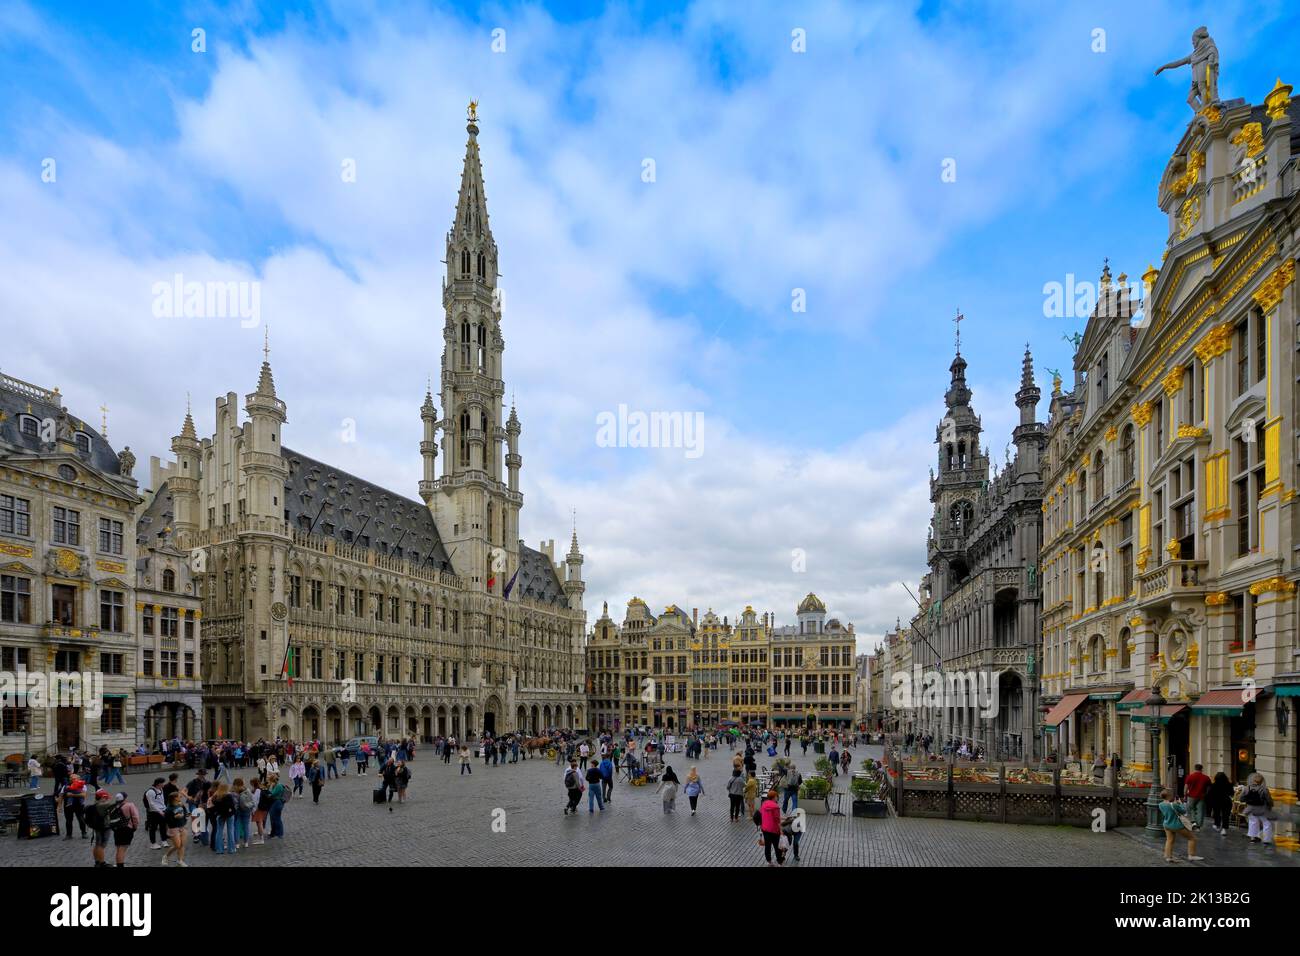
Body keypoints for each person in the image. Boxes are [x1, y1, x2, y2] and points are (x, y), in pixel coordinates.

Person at [1158, 788, 1202, 863]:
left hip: (1166, 824)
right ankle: (1191, 855)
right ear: (1169, 796)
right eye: (1172, 795)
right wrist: (1180, 803)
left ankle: (1168, 857)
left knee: (1169, 840)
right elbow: (1184, 811)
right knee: (1192, 838)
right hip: (1176, 825)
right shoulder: (1174, 805)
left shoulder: (1160, 804)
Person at [85, 789, 116, 867]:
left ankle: (97, 862)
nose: (107, 799)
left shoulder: (95, 805)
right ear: (103, 797)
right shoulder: (103, 805)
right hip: (104, 827)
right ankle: (102, 863)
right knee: (101, 845)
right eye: (106, 797)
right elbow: (115, 804)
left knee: (97, 844)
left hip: (97, 827)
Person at [1242, 772, 1275, 844]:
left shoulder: (1247, 788)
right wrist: (1271, 805)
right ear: (1261, 781)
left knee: (1253, 822)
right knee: (1266, 823)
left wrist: (1248, 801)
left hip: (1250, 808)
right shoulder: (1264, 789)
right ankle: (1266, 839)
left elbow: (1242, 798)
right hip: (1262, 809)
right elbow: (1268, 799)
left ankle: (1253, 838)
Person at [160, 790, 189, 867]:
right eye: (179, 796)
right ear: (175, 798)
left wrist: (185, 818)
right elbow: (167, 821)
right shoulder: (168, 809)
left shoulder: (180, 805)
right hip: (174, 829)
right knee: (177, 846)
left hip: (182, 827)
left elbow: (185, 812)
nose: (181, 796)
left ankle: (180, 861)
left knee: (182, 845)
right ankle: (166, 856)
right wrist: (174, 817)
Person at [111, 792, 139, 866]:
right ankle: (120, 865)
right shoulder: (129, 805)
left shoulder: (114, 806)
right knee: (122, 849)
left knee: (119, 848)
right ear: (125, 798)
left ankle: (118, 864)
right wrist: (135, 827)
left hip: (117, 829)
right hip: (127, 828)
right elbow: (135, 817)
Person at [758, 789, 783, 865]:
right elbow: (777, 820)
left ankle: (769, 861)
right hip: (774, 830)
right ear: (774, 797)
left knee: (767, 846)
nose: (777, 798)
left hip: (765, 828)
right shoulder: (776, 807)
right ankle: (779, 862)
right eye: (777, 796)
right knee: (777, 847)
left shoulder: (764, 804)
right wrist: (781, 830)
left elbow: (762, 815)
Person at [1183, 763, 1211, 828]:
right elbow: (1209, 788)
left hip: (1191, 796)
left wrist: (1185, 794)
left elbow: (1186, 786)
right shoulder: (1206, 777)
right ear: (1201, 769)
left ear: (1195, 768)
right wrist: (1205, 793)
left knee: (1191, 808)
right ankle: (1199, 824)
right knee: (1200, 810)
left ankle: (1193, 821)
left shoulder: (1190, 776)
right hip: (1201, 796)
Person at [143, 776, 167, 849]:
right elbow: (151, 804)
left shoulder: (161, 789)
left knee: (163, 826)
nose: (164, 784)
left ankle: (164, 841)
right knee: (153, 828)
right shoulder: (150, 792)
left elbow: (161, 801)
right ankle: (153, 843)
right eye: (163, 783)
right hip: (153, 812)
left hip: (162, 810)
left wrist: (164, 809)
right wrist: (159, 811)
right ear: (158, 784)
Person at [267, 772, 289, 840]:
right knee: (276, 818)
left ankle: (279, 833)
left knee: (276, 818)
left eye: (270, 781)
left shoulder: (278, 786)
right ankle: (276, 833)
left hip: (277, 803)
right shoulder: (278, 785)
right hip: (277, 802)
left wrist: (269, 790)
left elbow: (272, 794)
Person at [233, 778, 253, 849]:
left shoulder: (235, 792)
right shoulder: (248, 790)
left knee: (237, 827)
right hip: (247, 810)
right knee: (246, 826)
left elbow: (235, 803)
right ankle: (246, 843)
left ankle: (237, 843)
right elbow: (251, 799)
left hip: (238, 811)